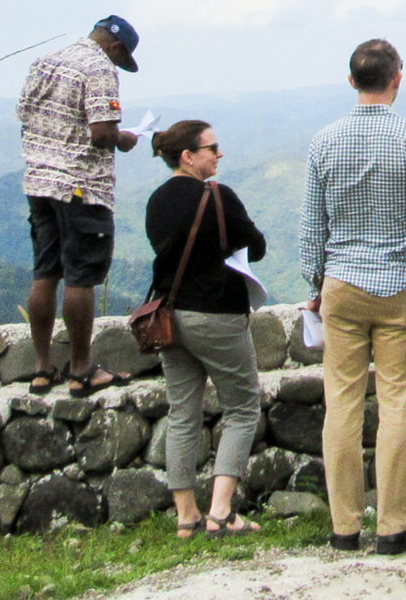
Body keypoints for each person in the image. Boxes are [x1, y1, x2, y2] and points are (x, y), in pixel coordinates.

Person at [299, 39, 406, 555]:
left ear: (351, 80)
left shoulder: (324, 141)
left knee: (340, 403)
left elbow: (311, 226)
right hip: (400, 285)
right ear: (397, 79)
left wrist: (314, 285)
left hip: (341, 285)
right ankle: (392, 527)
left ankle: (344, 527)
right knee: (397, 402)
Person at [145, 120, 269, 539]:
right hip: (216, 313)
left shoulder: (156, 200)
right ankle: (221, 510)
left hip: (169, 316)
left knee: (182, 412)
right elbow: (257, 246)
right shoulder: (218, 196)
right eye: (213, 148)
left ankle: (186, 515)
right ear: (188, 156)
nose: (220, 154)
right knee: (243, 407)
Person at [14, 15, 143, 398]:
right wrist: (124, 139)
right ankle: (82, 370)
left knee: (45, 273)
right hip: (81, 187)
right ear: (115, 47)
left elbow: (24, 118)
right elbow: (102, 133)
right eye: (121, 58)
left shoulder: (44, 62)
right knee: (80, 277)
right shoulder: (100, 68)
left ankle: (42, 369)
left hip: (38, 182)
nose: (118, 65)